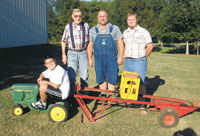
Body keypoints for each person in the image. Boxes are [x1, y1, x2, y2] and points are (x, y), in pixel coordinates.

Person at [87, 10, 124, 96]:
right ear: (97, 18)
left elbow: (120, 42)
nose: (102, 18)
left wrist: (121, 56)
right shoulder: (93, 30)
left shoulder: (115, 28)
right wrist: (89, 58)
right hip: (99, 59)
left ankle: (111, 97)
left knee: (112, 76)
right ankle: (103, 96)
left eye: (104, 16)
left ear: (107, 17)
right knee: (100, 76)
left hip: (112, 58)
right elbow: (90, 45)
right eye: (100, 16)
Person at [123, 12, 154, 114]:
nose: (131, 21)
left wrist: (144, 58)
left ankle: (142, 105)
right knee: (129, 82)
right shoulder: (125, 32)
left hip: (139, 60)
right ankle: (131, 102)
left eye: (133, 19)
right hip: (128, 60)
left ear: (137, 20)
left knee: (140, 83)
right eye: (129, 20)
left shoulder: (143, 31)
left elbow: (150, 46)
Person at [61, 9, 89, 94]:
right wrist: (63, 55)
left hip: (83, 52)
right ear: (72, 17)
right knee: (72, 76)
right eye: (76, 16)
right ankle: (72, 95)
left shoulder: (86, 26)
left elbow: (90, 41)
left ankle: (85, 95)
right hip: (72, 53)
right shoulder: (68, 27)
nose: (78, 18)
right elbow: (63, 41)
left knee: (84, 75)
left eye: (80, 16)